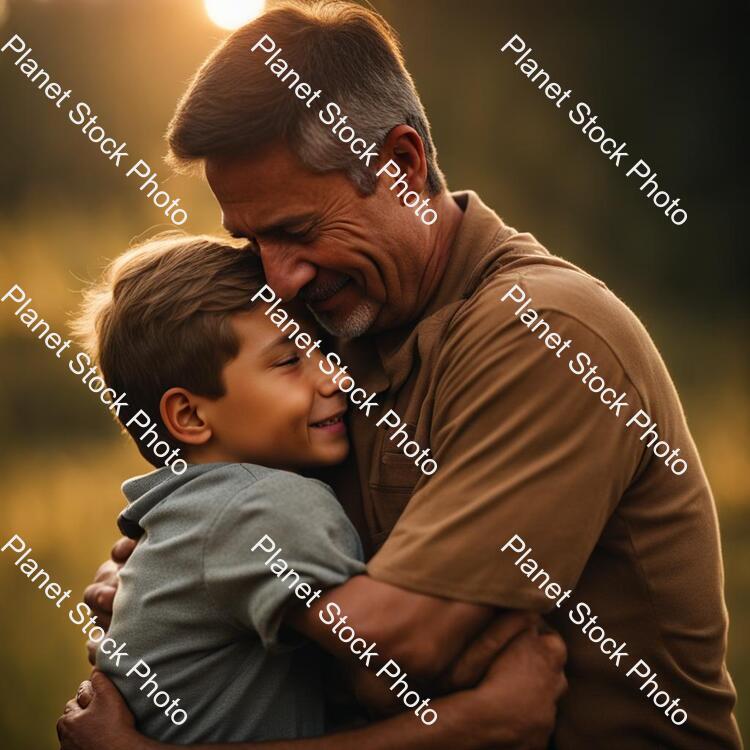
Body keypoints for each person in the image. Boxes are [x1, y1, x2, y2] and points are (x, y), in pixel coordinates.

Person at [61, 1, 740, 748]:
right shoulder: (332, 322)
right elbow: (213, 521)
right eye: (252, 240)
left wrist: (238, 598)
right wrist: (175, 588)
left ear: (403, 165)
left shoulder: (544, 333)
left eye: (296, 230)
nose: (278, 278)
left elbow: (404, 651)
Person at [57, 232, 566, 750]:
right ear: (189, 415)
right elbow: (382, 658)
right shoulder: (261, 503)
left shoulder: (191, 507)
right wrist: (495, 692)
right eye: (287, 361)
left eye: (320, 348)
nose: (335, 376)